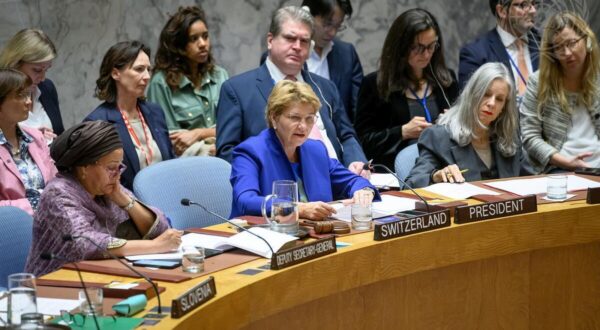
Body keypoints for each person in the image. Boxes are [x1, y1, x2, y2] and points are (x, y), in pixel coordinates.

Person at [217, 6, 368, 177]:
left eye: (304, 41)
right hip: (278, 189)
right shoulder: (237, 90)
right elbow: (227, 154)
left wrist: (356, 162)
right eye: (290, 38)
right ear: (270, 40)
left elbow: (347, 136)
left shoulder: (326, 87)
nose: (297, 46)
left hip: (338, 184)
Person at [25, 121, 182, 276]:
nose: (117, 174)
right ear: (84, 168)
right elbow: (84, 243)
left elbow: (161, 230)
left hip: (103, 276)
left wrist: (125, 201)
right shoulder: (58, 194)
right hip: (53, 287)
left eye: (120, 167)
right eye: (111, 167)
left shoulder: (109, 189)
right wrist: (153, 246)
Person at [230, 80, 378, 220]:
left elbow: (352, 181)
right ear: (274, 117)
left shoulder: (315, 149)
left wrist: (364, 191)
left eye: (309, 118)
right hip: (263, 238)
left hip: (315, 235)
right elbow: (245, 201)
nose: (303, 126)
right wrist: (296, 209)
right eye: (295, 118)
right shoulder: (250, 152)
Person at [354, 8, 459, 169]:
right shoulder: (375, 84)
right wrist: (402, 132)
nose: (426, 54)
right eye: (418, 47)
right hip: (396, 175)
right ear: (401, 47)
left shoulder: (446, 80)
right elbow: (363, 142)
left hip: (445, 169)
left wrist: (454, 123)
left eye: (431, 46)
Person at [405, 62, 523, 188]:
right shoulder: (439, 136)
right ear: (472, 94)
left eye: (499, 99)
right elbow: (410, 185)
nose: (492, 103)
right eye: (486, 94)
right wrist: (435, 176)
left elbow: (531, 180)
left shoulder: (509, 136)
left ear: (504, 108)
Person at [85, 41, 175, 190]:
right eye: (139, 69)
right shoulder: (98, 123)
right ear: (115, 73)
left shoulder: (155, 112)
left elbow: (170, 162)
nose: (146, 76)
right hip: (127, 208)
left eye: (148, 70)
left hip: (166, 198)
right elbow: (100, 184)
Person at [521, 12, 600, 173]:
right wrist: (564, 162)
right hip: (559, 169)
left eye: (572, 43)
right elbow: (529, 136)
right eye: (558, 47)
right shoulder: (539, 82)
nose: (567, 53)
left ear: (587, 40)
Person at [147, 6, 229, 157]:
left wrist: (199, 133)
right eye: (194, 39)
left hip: (224, 155)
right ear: (179, 46)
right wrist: (212, 141)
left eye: (205, 36)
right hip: (187, 166)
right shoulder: (161, 83)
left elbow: (233, 127)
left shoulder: (220, 75)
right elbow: (171, 140)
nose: (203, 44)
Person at [0, 69, 57, 215]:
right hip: (11, 232)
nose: (29, 101)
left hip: (50, 224)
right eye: (21, 95)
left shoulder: (36, 136)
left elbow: (56, 183)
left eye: (28, 94)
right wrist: (35, 203)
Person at [459, 0, 540, 98]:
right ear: (502, 11)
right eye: (523, 5)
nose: (533, 11)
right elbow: (470, 105)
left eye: (533, 3)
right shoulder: (475, 55)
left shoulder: (545, 44)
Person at [301, 0, 362, 121]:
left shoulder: (347, 54)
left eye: (338, 26)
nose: (332, 33)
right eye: (327, 24)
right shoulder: (286, 56)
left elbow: (358, 110)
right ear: (307, 16)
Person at [0, 28, 64, 138]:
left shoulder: (47, 88)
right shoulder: (2, 92)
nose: (43, 78)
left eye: (46, 70)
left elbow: (60, 134)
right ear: (15, 63)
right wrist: (32, 138)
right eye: (37, 70)